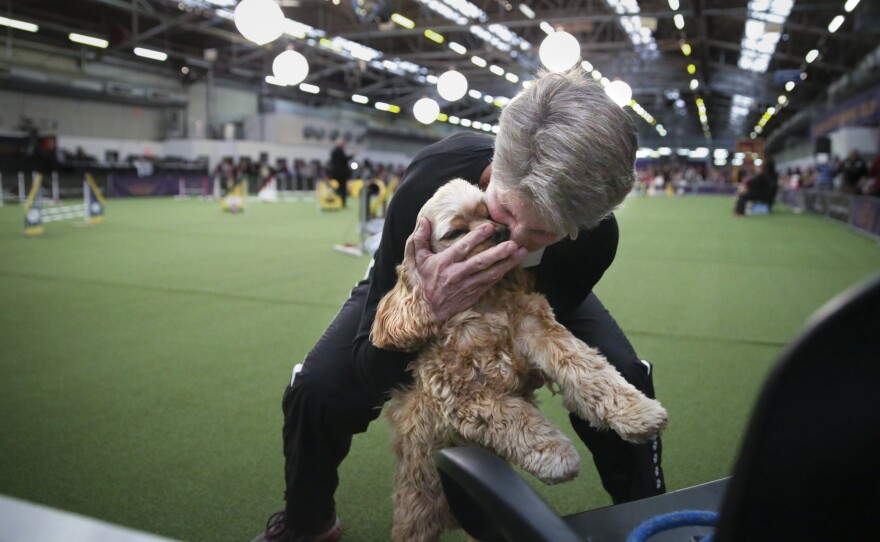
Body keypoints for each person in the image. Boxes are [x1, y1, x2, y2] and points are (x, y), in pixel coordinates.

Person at [252, 68, 665, 542]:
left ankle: (648, 515)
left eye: (545, 232)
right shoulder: (432, 177)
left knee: (625, 373)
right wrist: (430, 306)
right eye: (507, 214)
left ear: (580, 227)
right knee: (318, 388)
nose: (516, 243)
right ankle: (308, 522)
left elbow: (534, 337)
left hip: (533, 299)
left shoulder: (594, 242)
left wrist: (517, 373)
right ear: (496, 164)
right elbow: (371, 364)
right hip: (413, 286)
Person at [329, 137, 354, 208]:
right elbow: (345, 159)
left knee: (338, 188)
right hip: (340, 174)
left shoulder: (335, 151)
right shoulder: (337, 152)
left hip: (337, 173)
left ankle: (338, 202)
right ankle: (341, 203)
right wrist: (352, 155)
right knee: (341, 188)